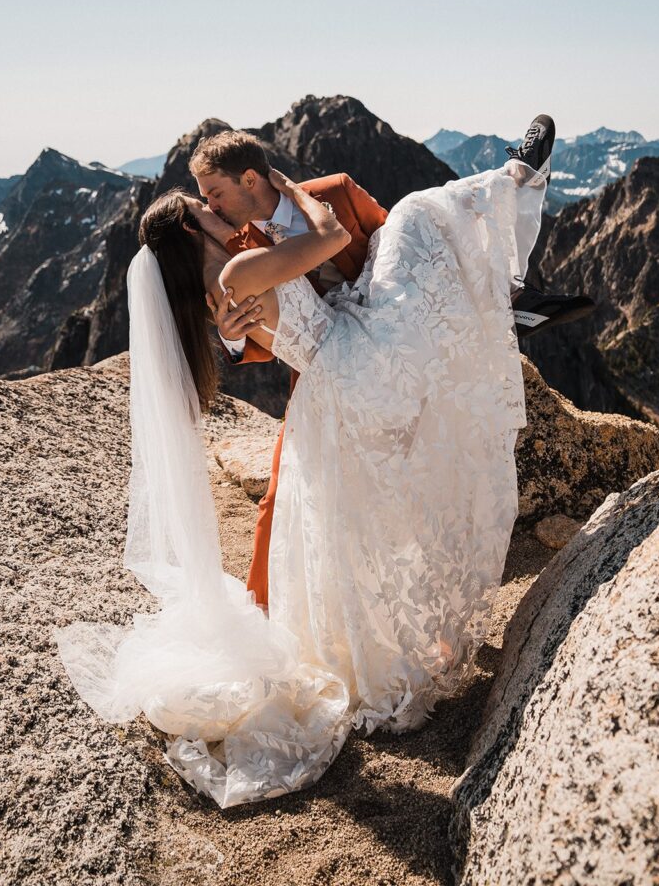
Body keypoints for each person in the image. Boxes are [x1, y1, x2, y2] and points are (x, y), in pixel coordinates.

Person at [54, 113, 561, 809]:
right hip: (358, 365)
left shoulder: (220, 287)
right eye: (203, 209)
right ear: (195, 234)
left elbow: (313, 269)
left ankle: (508, 291)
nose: (213, 210)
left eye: (213, 197)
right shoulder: (239, 264)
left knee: (359, 533)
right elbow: (326, 238)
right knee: (419, 211)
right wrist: (300, 205)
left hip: (340, 376)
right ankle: (515, 182)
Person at [190, 123, 594, 610]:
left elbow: (413, 251)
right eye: (203, 199)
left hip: (395, 334)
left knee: (416, 216)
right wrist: (232, 336)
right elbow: (266, 333)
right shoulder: (240, 250)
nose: (211, 206)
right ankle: (262, 613)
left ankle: (509, 264)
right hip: (331, 366)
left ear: (251, 179)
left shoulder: (336, 191)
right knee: (282, 497)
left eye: (214, 193)